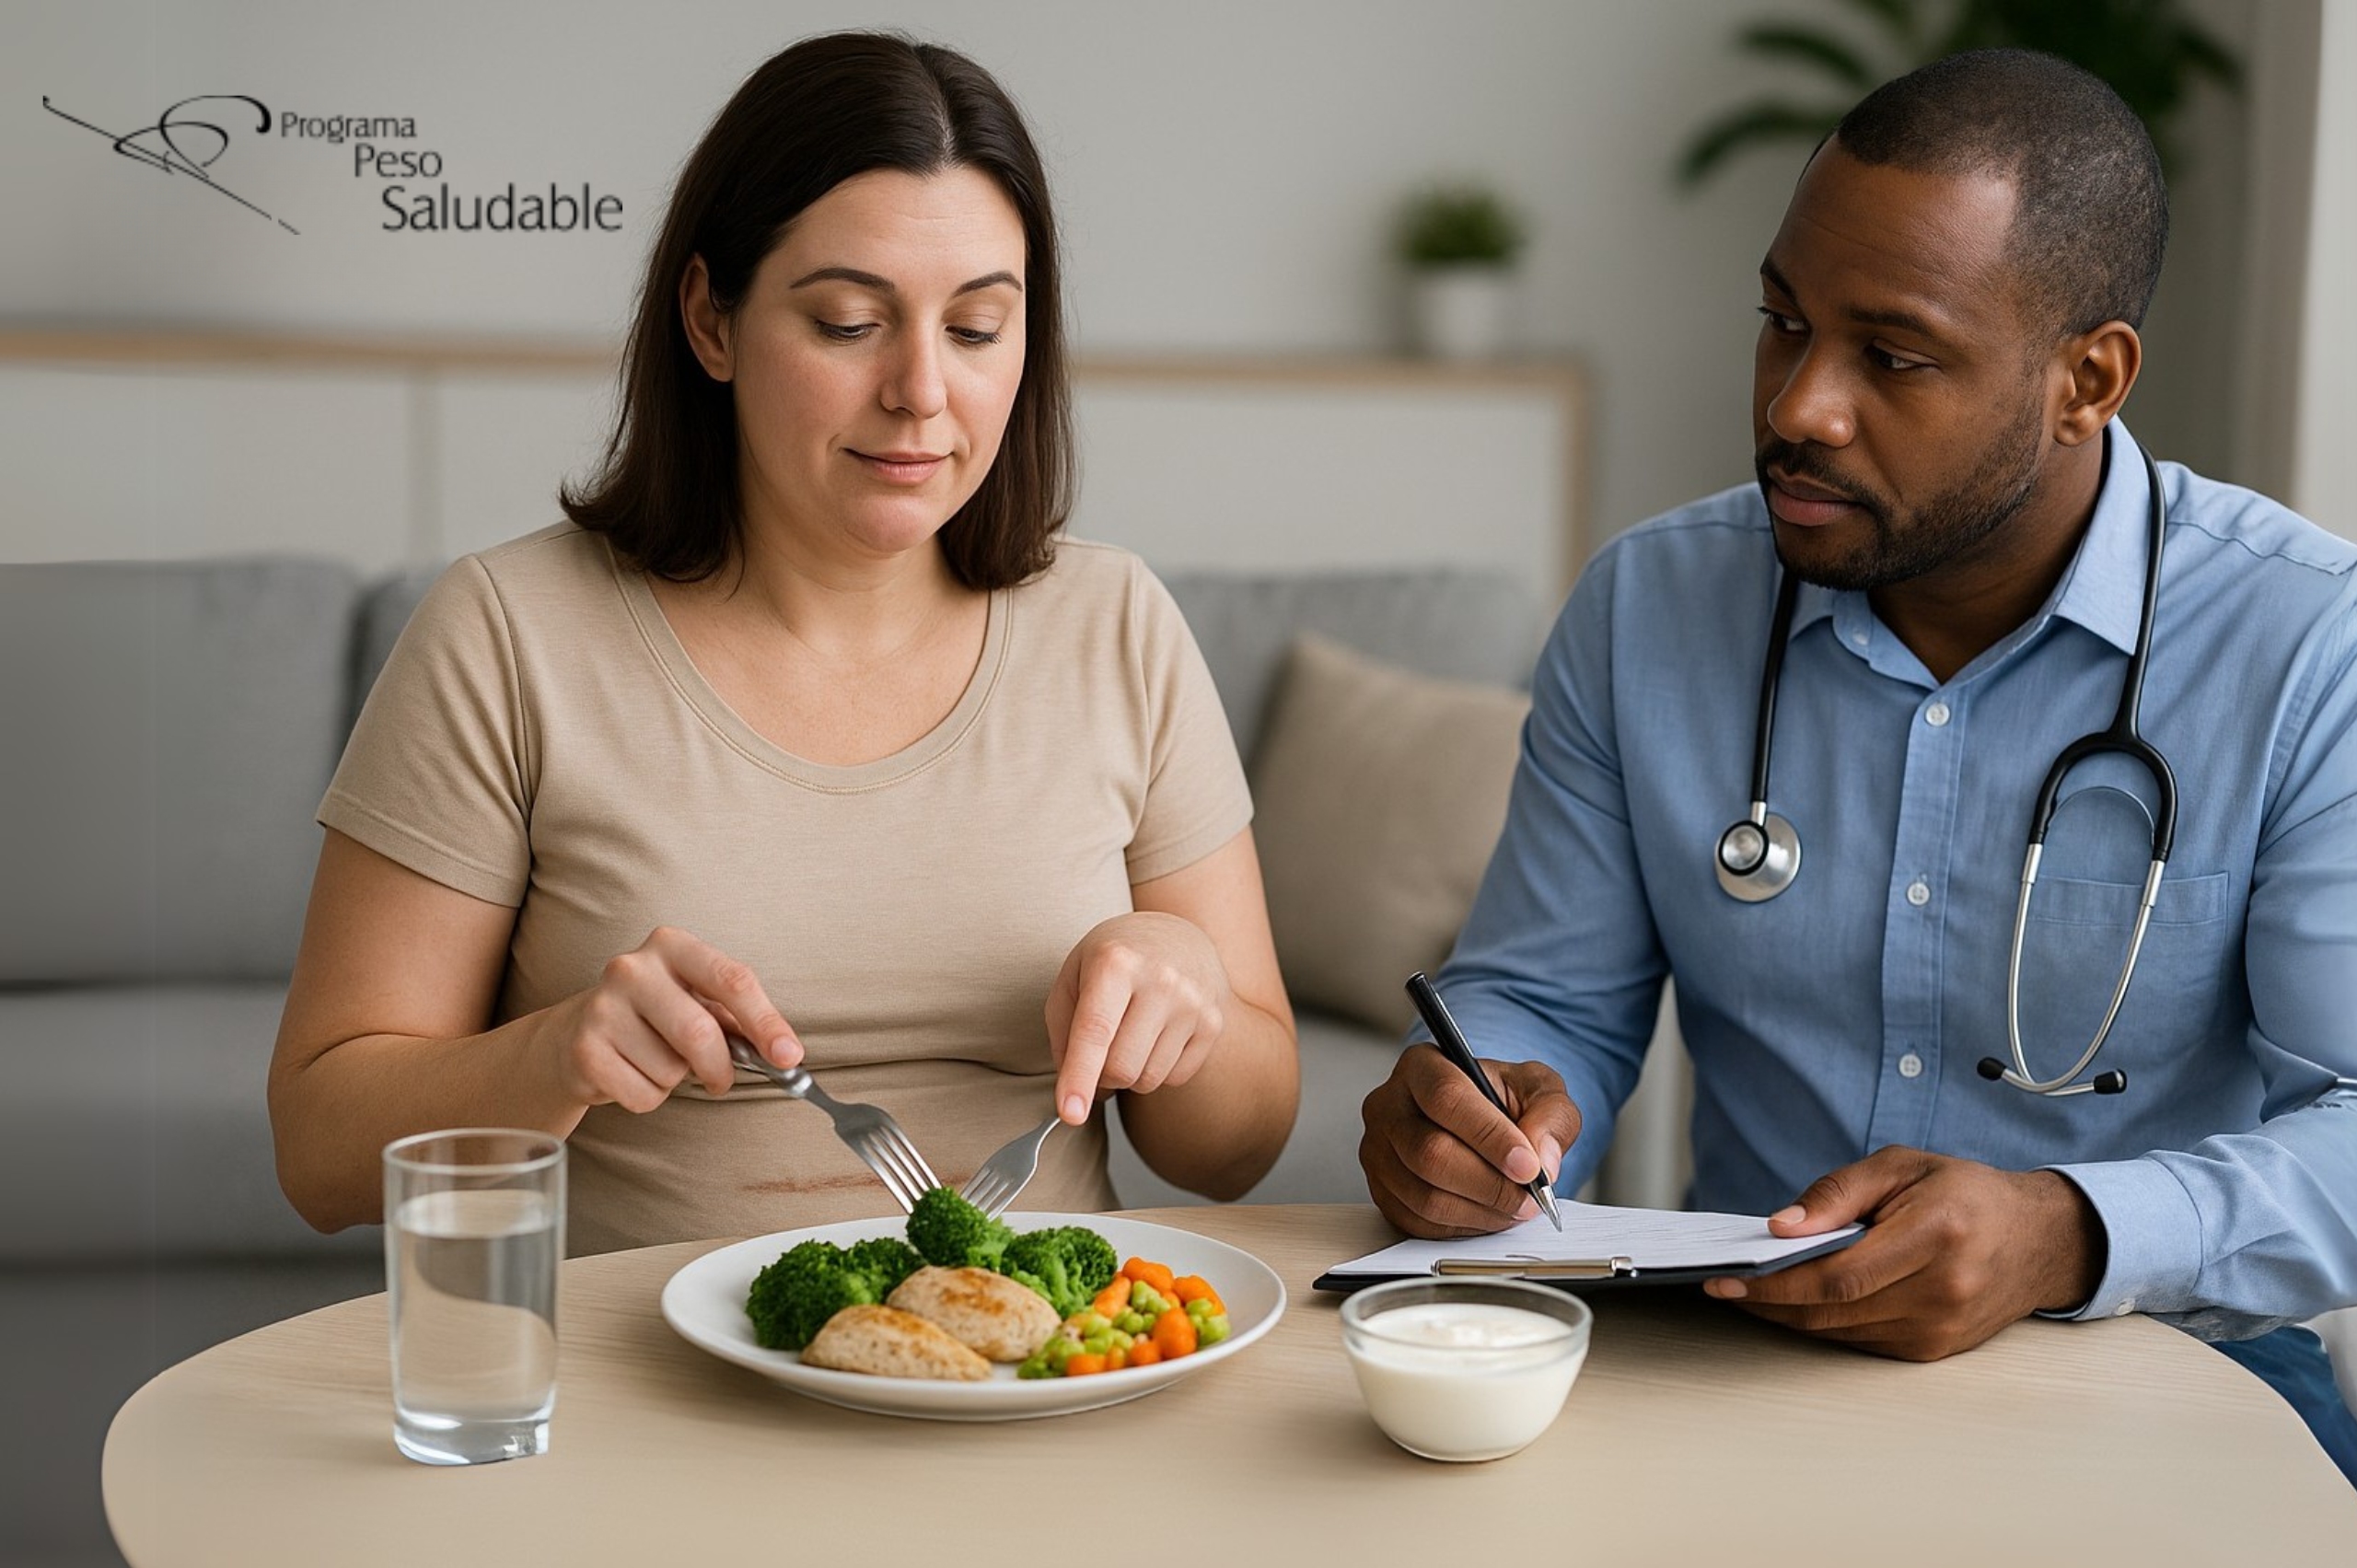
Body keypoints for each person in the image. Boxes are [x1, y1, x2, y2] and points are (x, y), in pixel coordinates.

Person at [1359, 49, 2357, 1481]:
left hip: (2168, 1363)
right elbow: (1542, 997)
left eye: (1891, 356)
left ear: (2090, 378)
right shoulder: (1648, 608)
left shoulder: (2310, 640)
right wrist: (1480, 1111)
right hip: (1739, 1351)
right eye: (1781, 322)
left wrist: (2067, 1228)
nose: (1800, 406)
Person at [268, 32, 1298, 1254]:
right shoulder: (506, 634)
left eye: (976, 329)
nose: (922, 389)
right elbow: (321, 1151)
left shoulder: (1116, 625)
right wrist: (553, 1056)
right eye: (851, 321)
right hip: (640, 1400)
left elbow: (1235, 1151)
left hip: (1031, 1386)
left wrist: (1187, 999)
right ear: (711, 319)